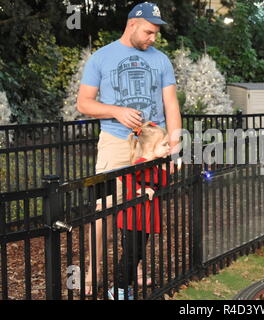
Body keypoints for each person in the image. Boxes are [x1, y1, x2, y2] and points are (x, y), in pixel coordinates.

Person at [76, 2, 181, 295]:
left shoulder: (161, 60)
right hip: (114, 144)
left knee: (139, 210)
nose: (153, 38)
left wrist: (173, 147)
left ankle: (130, 266)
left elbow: (171, 104)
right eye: (149, 31)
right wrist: (116, 111)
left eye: (156, 33)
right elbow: (83, 103)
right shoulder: (102, 57)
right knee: (104, 210)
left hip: (151, 145)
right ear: (132, 24)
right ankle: (92, 270)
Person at [108, 121, 170, 300]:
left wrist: (164, 169)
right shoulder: (141, 163)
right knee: (130, 256)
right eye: (164, 144)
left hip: (145, 219)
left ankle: (124, 287)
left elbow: (162, 186)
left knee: (138, 255)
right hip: (132, 218)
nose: (168, 147)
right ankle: (117, 290)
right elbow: (124, 175)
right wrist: (140, 189)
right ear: (151, 146)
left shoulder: (155, 165)